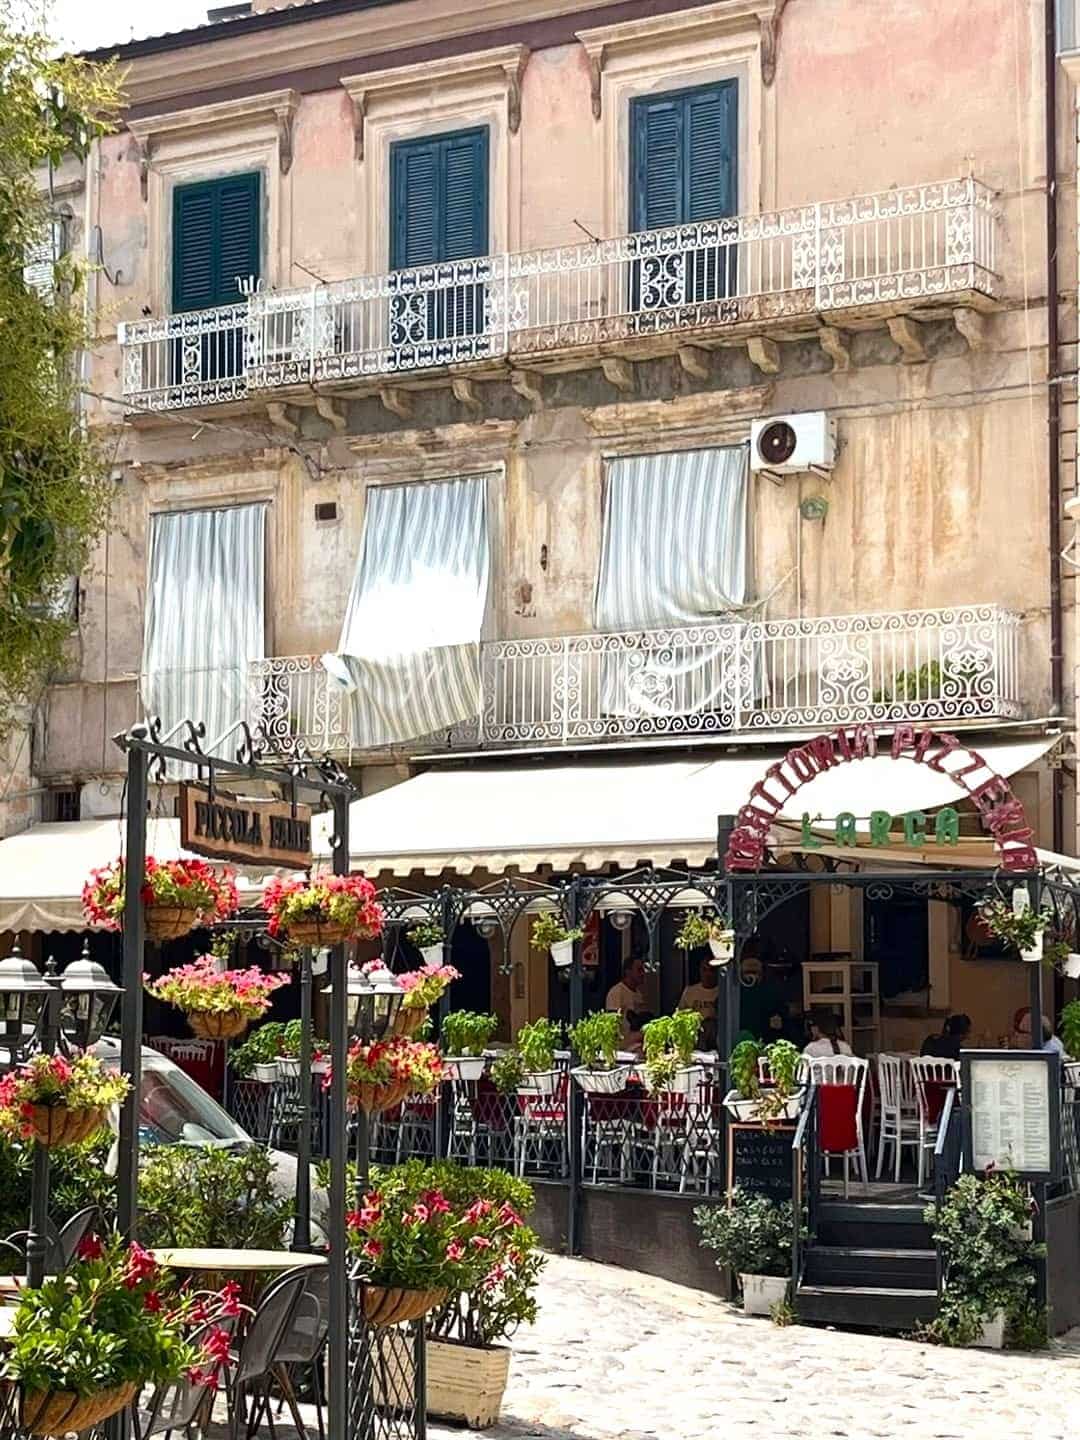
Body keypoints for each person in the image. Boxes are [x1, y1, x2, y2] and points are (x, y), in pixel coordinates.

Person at [606, 955, 648, 1050]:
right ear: (628, 972)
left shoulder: (638, 993)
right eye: (639, 970)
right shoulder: (617, 992)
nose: (643, 973)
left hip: (637, 1041)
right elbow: (612, 1025)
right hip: (623, 1045)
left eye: (643, 970)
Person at [678, 955, 718, 1050]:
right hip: (694, 1032)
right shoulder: (690, 991)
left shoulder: (723, 992)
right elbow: (680, 1015)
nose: (707, 974)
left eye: (711, 970)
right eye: (704, 969)